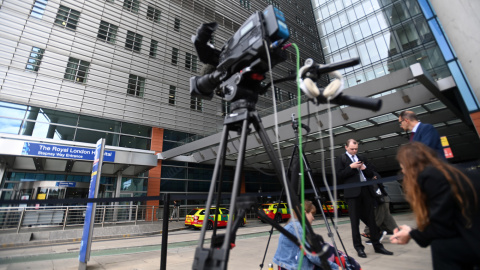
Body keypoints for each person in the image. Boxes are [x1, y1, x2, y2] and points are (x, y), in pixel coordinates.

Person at [390, 142, 480, 270]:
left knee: (441, 246)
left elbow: (442, 226)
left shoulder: (431, 176)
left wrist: (411, 233)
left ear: (410, 164)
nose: (403, 171)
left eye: (402, 167)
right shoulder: (453, 172)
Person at [335, 139, 393, 258]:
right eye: (352, 149)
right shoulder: (341, 159)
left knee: (371, 219)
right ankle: (359, 248)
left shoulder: (362, 157)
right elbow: (339, 176)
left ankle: (377, 246)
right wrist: (350, 167)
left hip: (366, 192)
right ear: (346, 147)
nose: (354, 151)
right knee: (354, 222)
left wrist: (364, 169)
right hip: (352, 194)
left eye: (356, 149)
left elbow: (372, 174)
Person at [273, 200, 355, 270]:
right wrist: (335, 268)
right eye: (312, 214)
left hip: (284, 265)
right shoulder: (300, 227)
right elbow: (312, 256)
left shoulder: (292, 225)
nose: (313, 218)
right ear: (305, 213)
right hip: (293, 266)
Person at [363, 171, 398, 245]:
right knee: (387, 218)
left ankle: (372, 233)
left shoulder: (370, 174)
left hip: (380, 199)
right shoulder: (373, 174)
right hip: (383, 198)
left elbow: (375, 188)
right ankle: (398, 233)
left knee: (378, 217)